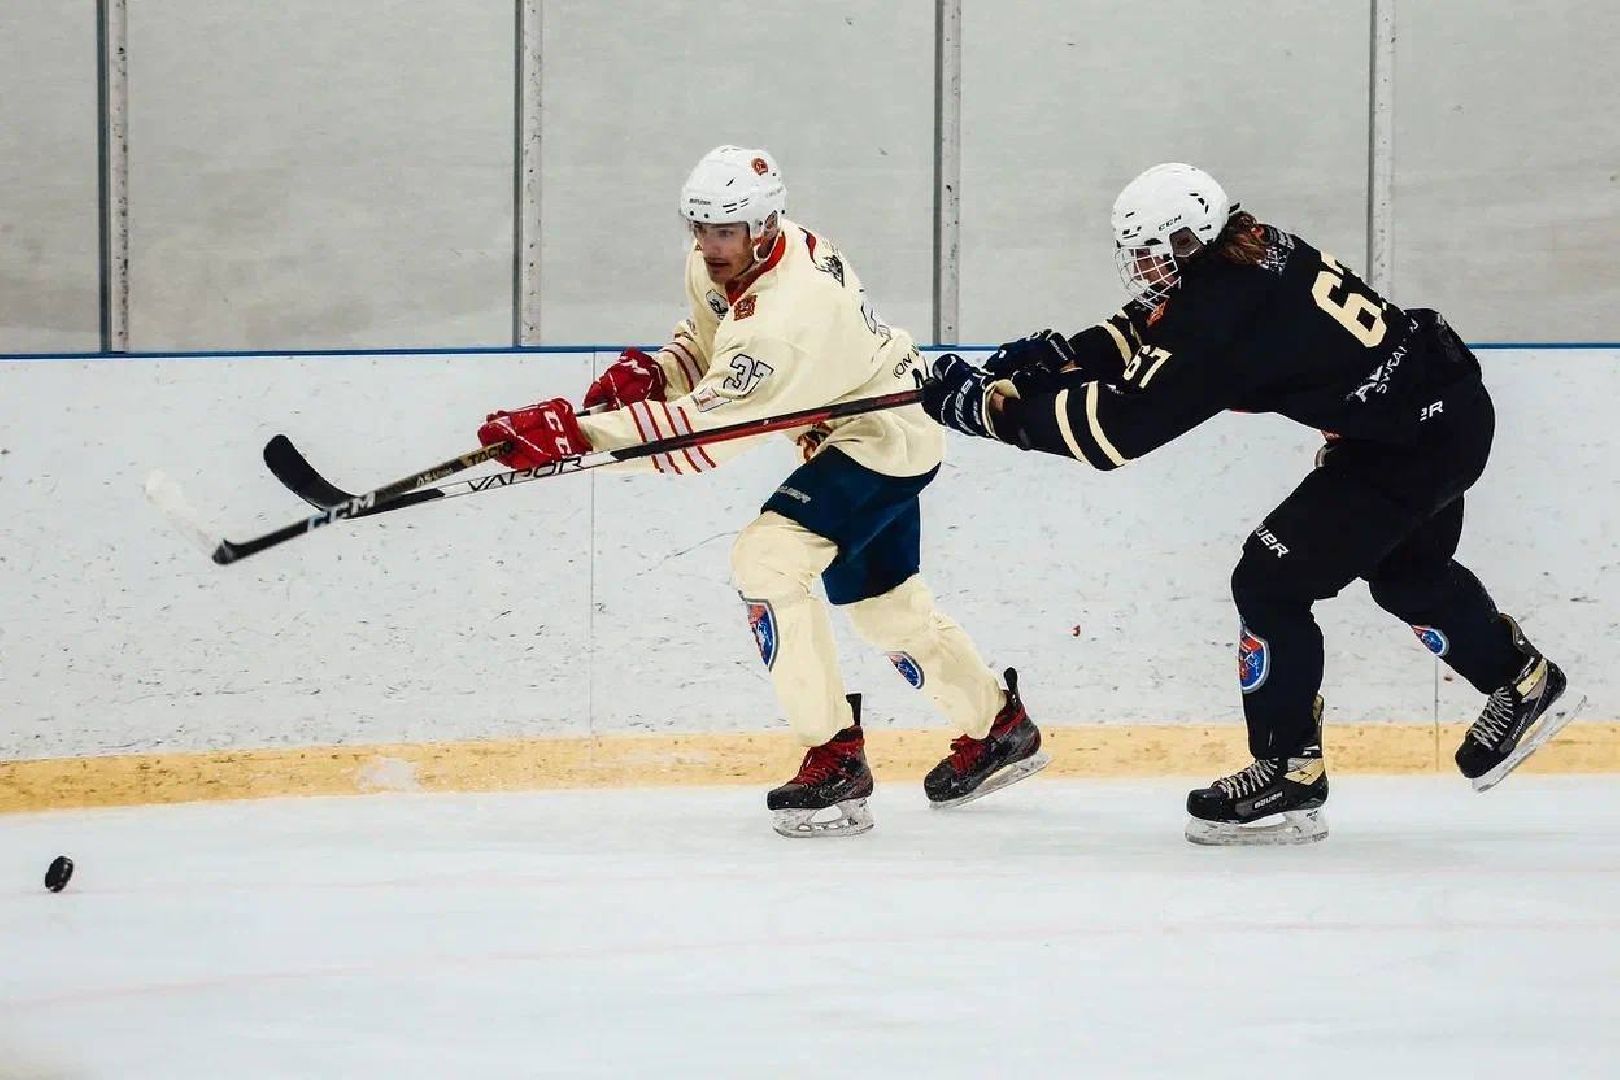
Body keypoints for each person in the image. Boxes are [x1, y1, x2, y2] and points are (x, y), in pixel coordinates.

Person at [922, 162, 1570, 846]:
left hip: (1407, 444)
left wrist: (991, 411)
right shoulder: (1251, 247)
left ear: (1188, 244)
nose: (1142, 271)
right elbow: (1151, 331)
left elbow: (1117, 431)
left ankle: (1288, 768)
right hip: (1439, 412)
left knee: (1269, 581)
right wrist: (1059, 361)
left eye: (1152, 255)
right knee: (1408, 577)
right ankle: (1522, 681)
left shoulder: (1222, 310)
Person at [476, 145, 1048, 838]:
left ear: (766, 225)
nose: (710, 247)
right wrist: (659, 374)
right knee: (883, 611)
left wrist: (579, 437)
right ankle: (999, 726)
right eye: (701, 229)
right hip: (861, 429)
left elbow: (701, 438)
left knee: (767, 559)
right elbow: (711, 337)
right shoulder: (734, 259)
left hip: (882, 440)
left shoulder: (789, 316)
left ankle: (834, 756)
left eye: (726, 232)